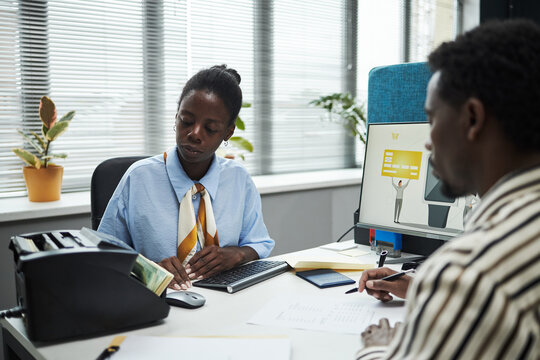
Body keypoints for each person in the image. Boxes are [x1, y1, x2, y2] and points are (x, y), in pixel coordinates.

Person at [355, 19, 540, 359]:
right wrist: (430, 295)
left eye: (431, 119)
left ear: (472, 119)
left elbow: (479, 289)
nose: (427, 142)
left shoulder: (471, 273)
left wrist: (382, 347)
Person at [98, 65, 275, 290]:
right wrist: (148, 270)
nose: (195, 134)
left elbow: (259, 243)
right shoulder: (139, 178)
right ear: (177, 116)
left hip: (226, 301)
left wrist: (237, 254)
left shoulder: (238, 179)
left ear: (228, 132)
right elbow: (104, 253)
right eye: (187, 121)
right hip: (160, 304)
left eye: (210, 128)